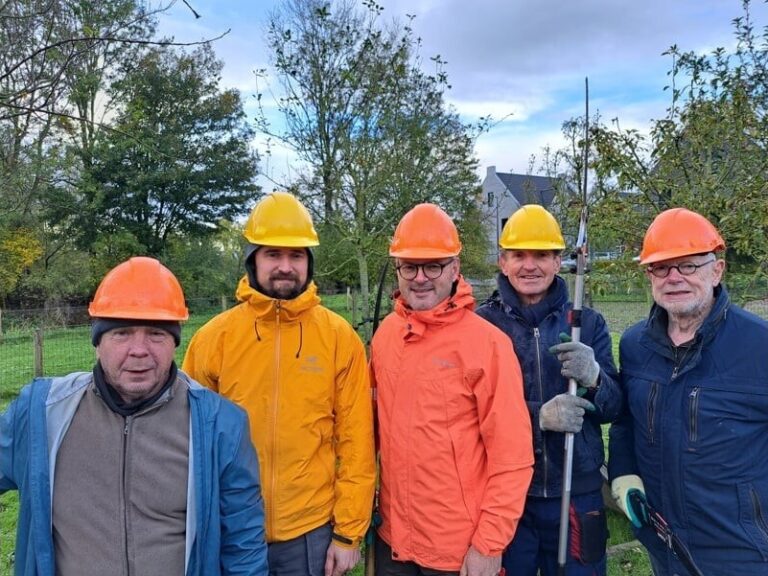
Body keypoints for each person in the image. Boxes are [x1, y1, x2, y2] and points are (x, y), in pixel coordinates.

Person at [0, 256, 268, 576]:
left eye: (156, 334)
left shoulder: (220, 425)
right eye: (122, 333)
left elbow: (243, 544)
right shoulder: (42, 412)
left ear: (174, 343)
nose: (139, 350)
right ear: (98, 343)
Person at [182, 191, 375, 576]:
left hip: (309, 534)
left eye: (296, 255)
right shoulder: (214, 338)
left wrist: (348, 534)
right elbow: (185, 438)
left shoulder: (338, 338)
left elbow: (357, 442)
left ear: (309, 263)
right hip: (230, 528)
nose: (285, 266)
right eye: (273, 254)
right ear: (253, 259)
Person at [369, 202, 534, 576]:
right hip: (393, 539)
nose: (420, 277)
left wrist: (489, 545)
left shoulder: (487, 345)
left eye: (434, 265)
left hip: (456, 550)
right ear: (397, 269)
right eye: (409, 266)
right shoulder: (385, 337)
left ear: (455, 268)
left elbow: (513, 457)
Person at [609, 207, 768, 576]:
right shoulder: (635, 345)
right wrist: (623, 471)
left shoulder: (759, 346)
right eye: (661, 267)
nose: (674, 278)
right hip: (663, 543)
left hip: (741, 551)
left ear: (717, 270)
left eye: (689, 265)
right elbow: (624, 422)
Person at [475, 204, 622, 576]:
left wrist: (595, 378)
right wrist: (537, 415)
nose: (530, 265)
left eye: (542, 255)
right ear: (502, 262)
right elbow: (468, 413)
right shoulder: (480, 326)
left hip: (578, 488)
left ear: (559, 262)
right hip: (508, 494)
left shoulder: (587, 323)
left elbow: (614, 408)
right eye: (518, 255)